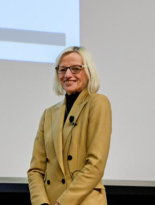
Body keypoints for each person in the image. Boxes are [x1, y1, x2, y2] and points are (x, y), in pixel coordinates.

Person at [27, 46, 112, 205]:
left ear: (88, 72)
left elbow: (95, 165)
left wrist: (63, 203)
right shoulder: (49, 114)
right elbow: (36, 170)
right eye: (62, 69)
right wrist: (42, 203)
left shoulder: (98, 103)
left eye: (75, 69)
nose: (67, 75)